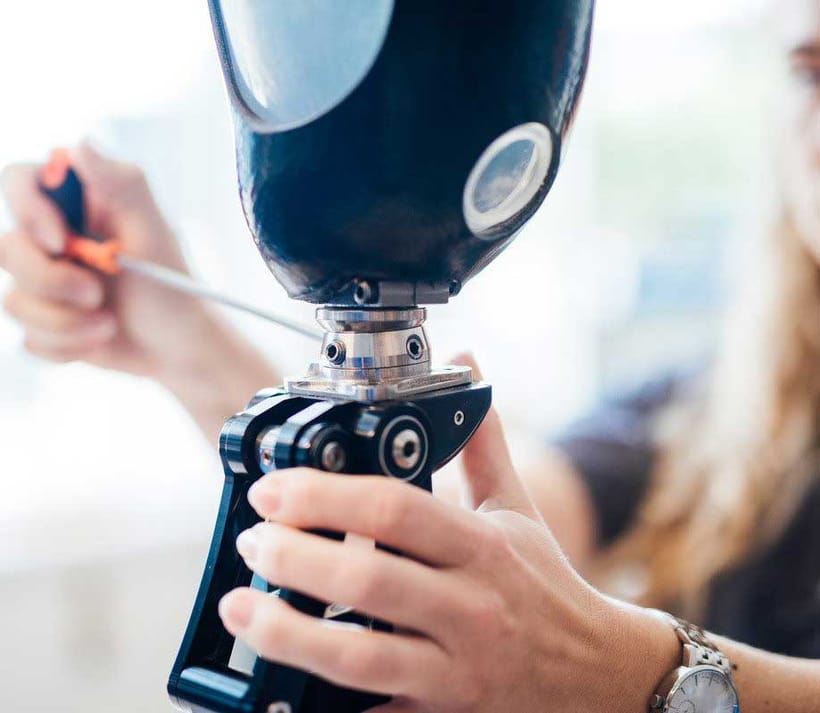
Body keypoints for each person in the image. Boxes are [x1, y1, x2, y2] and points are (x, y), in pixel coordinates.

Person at [1, 4, 819, 712]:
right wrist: (179, 334)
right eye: (810, 69)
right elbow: (461, 541)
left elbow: (539, 622)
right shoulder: (721, 409)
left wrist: (631, 673)